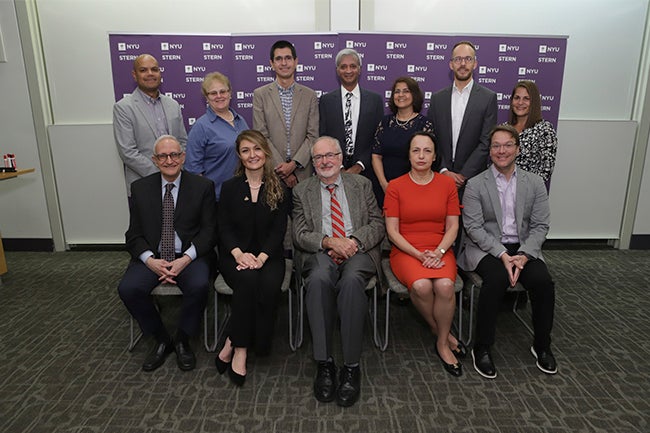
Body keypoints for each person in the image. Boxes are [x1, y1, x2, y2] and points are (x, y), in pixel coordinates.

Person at [458, 124, 557, 379]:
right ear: (490, 151)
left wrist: (523, 255)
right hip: (486, 247)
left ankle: (542, 345)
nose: (502, 151)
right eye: (496, 146)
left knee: (543, 282)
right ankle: (482, 347)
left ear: (518, 149)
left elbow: (540, 225)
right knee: (497, 279)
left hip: (523, 247)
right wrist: (502, 254)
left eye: (508, 145)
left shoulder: (534, 182)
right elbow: (473, 227)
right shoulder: (475, 184)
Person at [292, 136, 384, 407]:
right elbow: (299, 234)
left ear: (341, 158)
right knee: (319, 279)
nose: (325, 161)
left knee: (353, 281)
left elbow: (378, 223)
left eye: (330, 155)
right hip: (319, 253)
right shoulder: (302, 191)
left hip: (358, 251)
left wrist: (352, 242)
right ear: (313, 162)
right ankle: (325, 363)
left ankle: (352, 367)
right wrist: (329, 242)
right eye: (319, 158)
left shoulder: (362, 184)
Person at [117, 135, 217, 372]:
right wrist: (150, 261)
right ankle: (161, 338)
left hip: (190, 256)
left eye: (174, 155)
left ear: (183, 157)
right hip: (154, 257)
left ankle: (183, 339)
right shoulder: (140, 189)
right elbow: (133, 235)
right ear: (155, 160)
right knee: (128, 289)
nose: (169, 160)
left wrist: (185, 259)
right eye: (163, 156)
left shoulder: (203, 187)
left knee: (199, 285)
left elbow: (209, 232)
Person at [384, 131, 464, 377]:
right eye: (416, 150)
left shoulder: (447, 184)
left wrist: (439, 251)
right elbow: (392, 232)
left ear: (434, 156)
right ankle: (441, 330)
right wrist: (419, 255)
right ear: (408, 155)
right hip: (406, 250)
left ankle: (441, 343)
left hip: (440, 247)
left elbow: (453, 226)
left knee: (444, 286)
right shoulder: (395, 186)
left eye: (427, 150)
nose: (421, 155)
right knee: (420, 286)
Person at [214, 130, 290, 387]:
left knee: (268, 285)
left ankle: (231, 339)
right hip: (234, 255)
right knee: (247, 281)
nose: (252, 155)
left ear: (265, 152)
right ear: (239, 155)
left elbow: (279, 229)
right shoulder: (229, 187)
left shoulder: (279, 187)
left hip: (269, 256)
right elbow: (223, 227)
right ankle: (242, 349)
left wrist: (260, 257)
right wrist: (238, 253)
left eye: (257, 149)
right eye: (246, 150)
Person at [426, 41, 497, 195]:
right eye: (458, 59)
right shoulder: (437, 98)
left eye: (468, 59)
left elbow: (486, 141)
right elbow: (431, 138)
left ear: (475, 63)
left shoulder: (488, 98)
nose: (463, 64)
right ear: (451, 64)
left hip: (474, 180)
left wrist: (463, 175)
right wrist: (444, 170)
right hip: (440, 177)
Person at [113, 54, 188, 197]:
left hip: (177, 184)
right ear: (134, 75)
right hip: (144, 185)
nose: (150, 74)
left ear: (160, 73)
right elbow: (128, 152)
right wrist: (163, 174)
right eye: (143, 70)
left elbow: (182, 141)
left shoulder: (173, 105)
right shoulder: (123, 108)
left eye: (154, 69)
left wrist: (175, 171)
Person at [253, 40, 319, 188]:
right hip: (273, 173)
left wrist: (294, 165)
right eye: (278, 59)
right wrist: (282, 168)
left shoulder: (310, 95)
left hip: (303, 173)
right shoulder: (260, 95)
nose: (284, 63)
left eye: (288, 58)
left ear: (296, 62)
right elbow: (261, 136)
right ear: (272, 63)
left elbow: (313, 136)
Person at [319, 48, 384, 179]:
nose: (348, 71)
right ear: (337, 71)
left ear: (359, 69)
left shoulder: (375, 100)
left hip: (367, 171)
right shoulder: (326, 101)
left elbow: (378, 137)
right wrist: (339, 165)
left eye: (353, 66)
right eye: (343, 67)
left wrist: (360, 165)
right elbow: (323, 136)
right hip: (333, 171)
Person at [185, 72, 249, 202]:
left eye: (223, 91)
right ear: (206, 98)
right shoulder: (201, 126)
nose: (219, 96)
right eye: (213, 93)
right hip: (216, 198)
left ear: (230, 93)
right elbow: (193, 169)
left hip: (243, 193)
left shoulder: (240, 120)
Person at [372, 76, 433, 207]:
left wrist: (409, 186)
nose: (401, 95)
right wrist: (384, 184)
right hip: (384, 188)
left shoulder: (424, 124)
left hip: (414, 187)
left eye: (406, 91)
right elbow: (376, 155)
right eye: (397, 91)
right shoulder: (385, 122)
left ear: (414, 95)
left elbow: (426, 159)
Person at [506, 80, 558, 190]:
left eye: (526, 99)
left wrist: (523, 191)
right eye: (517, 98)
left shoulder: (545, 129)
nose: (520, 102)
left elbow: (546, 169)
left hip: (529, 194)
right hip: (501, 192)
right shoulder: (504, 129)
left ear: (534, 102)